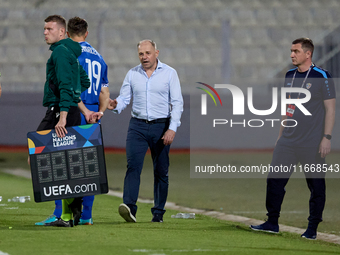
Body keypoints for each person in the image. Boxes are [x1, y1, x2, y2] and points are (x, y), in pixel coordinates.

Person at [250, 38, 336, 239]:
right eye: (291, 51)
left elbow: (330, 109)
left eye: (296, 51)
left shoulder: (322, 76)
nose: (291, 55)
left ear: (308, 54)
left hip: (312, 143)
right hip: (288, 141)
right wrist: (280, 136)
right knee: (274, 180)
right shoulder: (289, 75)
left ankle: (312, 229)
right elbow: (286, 108)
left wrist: (327, 137)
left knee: (316, 185)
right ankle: (272, 222)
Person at [35, 17, 110, 226]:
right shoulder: (99, 58)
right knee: (86, 167)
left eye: (49, 29)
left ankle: (61, 213)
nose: (45, 32)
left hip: (72, 108)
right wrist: (99, 111)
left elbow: (69, 86)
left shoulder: (67, 51)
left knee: (59, 162)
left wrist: (71, 111)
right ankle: (86, 215)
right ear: (86, 33)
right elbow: (103, 90)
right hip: (91, 113)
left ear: (66, 33)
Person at [108, 39, 183, 223]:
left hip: (161, 126)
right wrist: (115, 104)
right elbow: (125, 98)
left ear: (157, 53)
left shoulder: (170, 74)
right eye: (141, 54)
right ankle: (129, 208)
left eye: (147, 53)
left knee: (161, 171)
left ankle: (158, 213)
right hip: (137, 126)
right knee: (133, 166)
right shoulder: (133, 74)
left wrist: (172, 128)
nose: (144, 57)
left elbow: (177, 103)